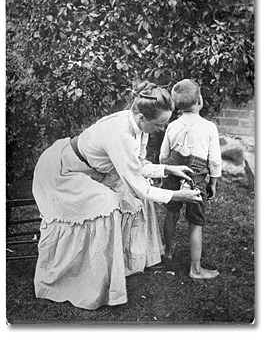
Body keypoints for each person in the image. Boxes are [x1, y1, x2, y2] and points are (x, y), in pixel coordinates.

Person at [32, 81, 202, 310]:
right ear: (142, 117)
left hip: (93, 172)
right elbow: (139, 186)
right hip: (62, 173)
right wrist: (178, 195)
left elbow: (137, 165)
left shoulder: (138, 126)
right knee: (108, 202)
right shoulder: (120, 132)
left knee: (131, 199)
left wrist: (168, 169)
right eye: (159, 124)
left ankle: (129, 262)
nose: (162, 129)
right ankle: (89, 280)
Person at [160, 79, 222, 279]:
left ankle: (167, 251)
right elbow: (214, 160)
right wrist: (212, 182)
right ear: (200, 101)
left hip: (173, 169)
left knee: (171, 213)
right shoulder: (209, 127)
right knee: (195, 221)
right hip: (196, 174)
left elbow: (163, 156)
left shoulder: (172, 126)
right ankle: (195, 269)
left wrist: (167, 171)